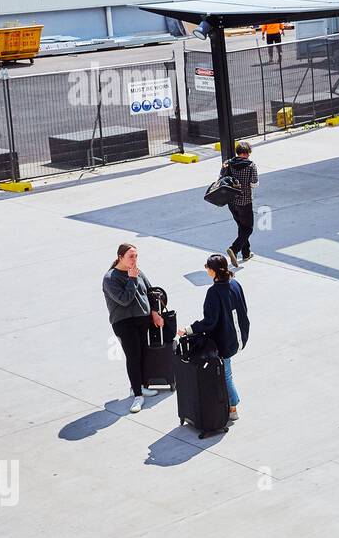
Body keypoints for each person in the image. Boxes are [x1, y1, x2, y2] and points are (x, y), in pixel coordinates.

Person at [179, 253, 250, 423]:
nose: (205, 269)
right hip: (238, 336)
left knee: (225, 374)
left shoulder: (214, 292)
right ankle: (230, 405)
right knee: (227, 371)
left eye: (207, 267)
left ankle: (233, 407)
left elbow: (210, 322)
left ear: (213, 271)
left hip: (225, 341)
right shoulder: (235, 284)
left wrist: (189, 329)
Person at [102, 243, 164, 413]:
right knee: (133, 356)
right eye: (131, 256)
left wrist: (154, 312)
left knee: (143, 353)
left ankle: (140, 386)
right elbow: (124, 300)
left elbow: (151, 292)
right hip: (124, 323)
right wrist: (132, 279)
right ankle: (137, 395)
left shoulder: (137, 271)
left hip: (142, 320)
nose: (134, 259)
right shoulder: (110, 278)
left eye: (136, 256)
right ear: (120, 257)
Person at [222, 141, 259, 267]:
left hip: (231, 201)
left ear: (238, 152)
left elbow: (221, 178)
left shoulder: (228, 163)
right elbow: (254, 183)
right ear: (247, 153)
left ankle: (246, 253)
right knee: (248, 228)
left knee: (241, 227)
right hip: (245, 202)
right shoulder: (251, 165)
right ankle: (234, 248)